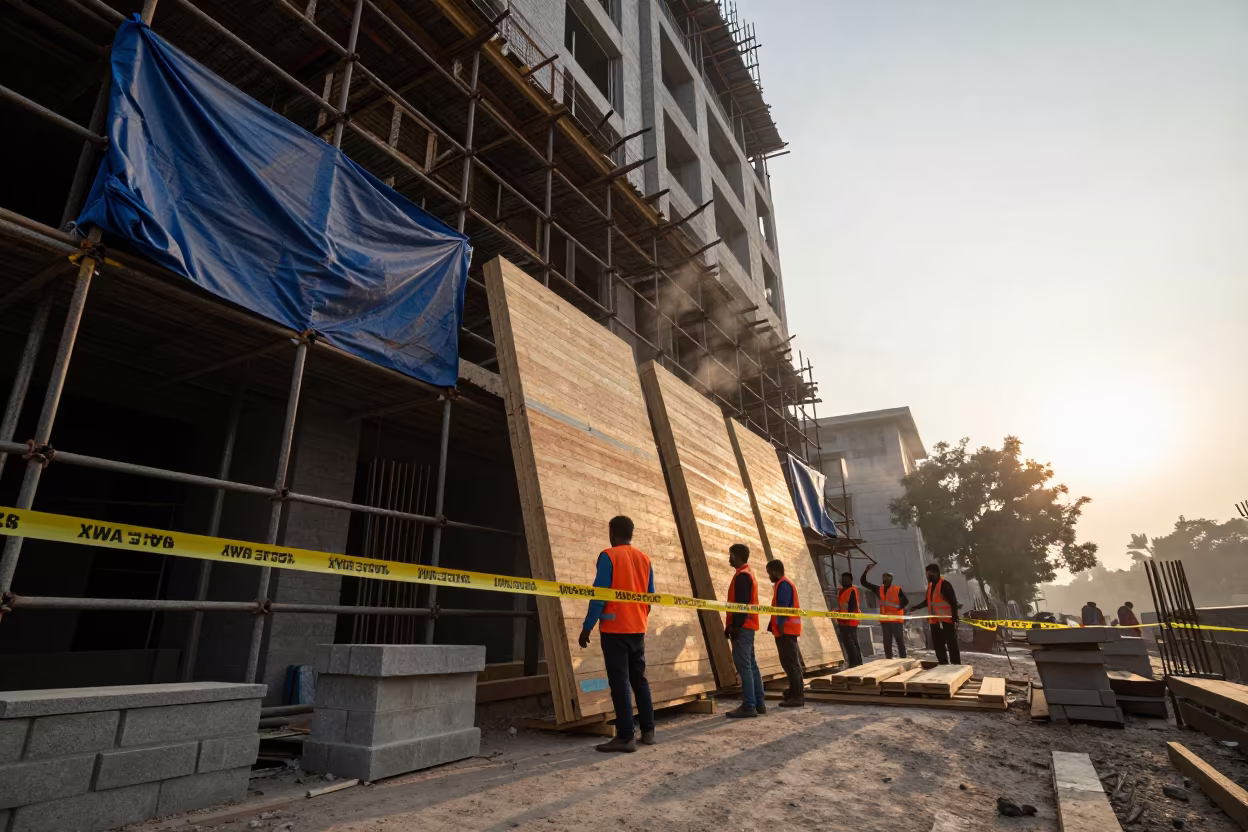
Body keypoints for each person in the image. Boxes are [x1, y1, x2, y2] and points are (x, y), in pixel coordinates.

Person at [578, 516, 656, 752]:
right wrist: (639, 617)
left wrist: (587, 626)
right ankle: (649, 730)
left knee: (620, 681)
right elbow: (650, 597)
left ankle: (625, 736)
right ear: (631, 533)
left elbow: (600, 595)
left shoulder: (609, 556)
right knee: (639, 679)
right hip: (638, 629)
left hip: (614, 630)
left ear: (612, 531)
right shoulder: (645, 558)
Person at [724, 543, 766, 719]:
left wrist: (735, 627)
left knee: (745, 667)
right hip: (749, 626)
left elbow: (741, 605)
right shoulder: (747, 574)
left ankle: (749, 706)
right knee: (751, 665)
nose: (729, 557)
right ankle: (758, 702)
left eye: (730, 554)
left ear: (736, 555)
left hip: (743, 627)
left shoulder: (742, 576)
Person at [766, 559, 805, 707]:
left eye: (769, 573)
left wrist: (780, 627)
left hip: (786, 630)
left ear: (776, 571)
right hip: (785, 630)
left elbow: (782, 609)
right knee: (789, 663)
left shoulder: (783, 584)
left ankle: (797, 696)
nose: (769, 576)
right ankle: (794, 692)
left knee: (791, 663)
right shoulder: (782, 584)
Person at [908, 563, 961, 665]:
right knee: (938, 645)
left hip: (946, 621)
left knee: (952, 645)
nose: (928, 576)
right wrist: (916, 607)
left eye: (930, 573)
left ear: (936, 573)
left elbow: (953, 602)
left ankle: (956, 666)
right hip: (935, 622)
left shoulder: (945, 585)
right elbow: (928, 601)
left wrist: (955, 619)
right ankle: (943, 664)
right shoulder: (931, 586)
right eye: (927, 573)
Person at [861, 564, 908, 659]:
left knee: (899, 640)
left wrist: (899, 607)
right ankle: (889, 659)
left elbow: (905, 601)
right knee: (887, 641)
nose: (884, 578)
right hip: (885, 621)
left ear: (891, 578)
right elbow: (864, 583)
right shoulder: (879, 589)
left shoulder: (897, 589)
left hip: (896, 620)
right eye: (883, 576)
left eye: (886, 576)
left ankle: (903, 658)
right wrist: (866, 571)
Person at [835, 571, 864, 667]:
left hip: (850, 622)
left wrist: (846, 618)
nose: (843, 581)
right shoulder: (842, 590)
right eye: (843, 579)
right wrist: (838, 612)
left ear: (850, 580)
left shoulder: (852, 590)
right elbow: (843, 606)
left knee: (851, 644)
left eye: (846, 579)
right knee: (849, 644)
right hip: (843, 621)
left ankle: (856, 663)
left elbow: (853, 607)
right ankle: (854, 662)